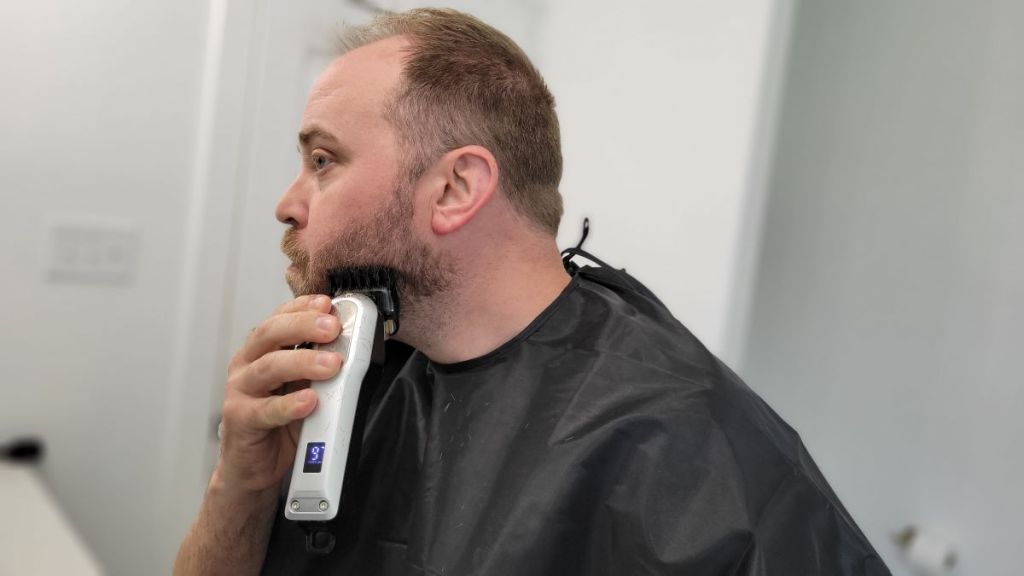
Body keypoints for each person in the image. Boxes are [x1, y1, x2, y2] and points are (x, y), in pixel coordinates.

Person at [175, 8, 890, 576]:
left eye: (323, 161)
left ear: (456, 188)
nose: (288, 203)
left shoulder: (686, 450)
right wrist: (236, 487)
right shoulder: (349, 373)